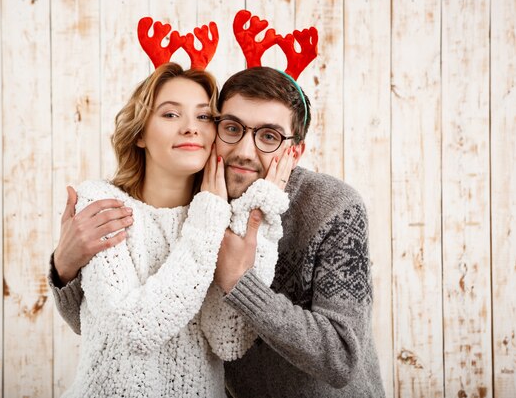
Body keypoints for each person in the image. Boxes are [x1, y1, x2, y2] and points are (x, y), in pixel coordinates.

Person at [50, 66, 385, 397]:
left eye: (269, 136)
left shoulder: (334, 206)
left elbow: (341, 358)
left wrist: (242, 284)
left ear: (294, 151)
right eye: (232, 128)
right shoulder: (205, 203)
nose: (244, 151)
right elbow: (104, 327)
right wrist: (64, 270)